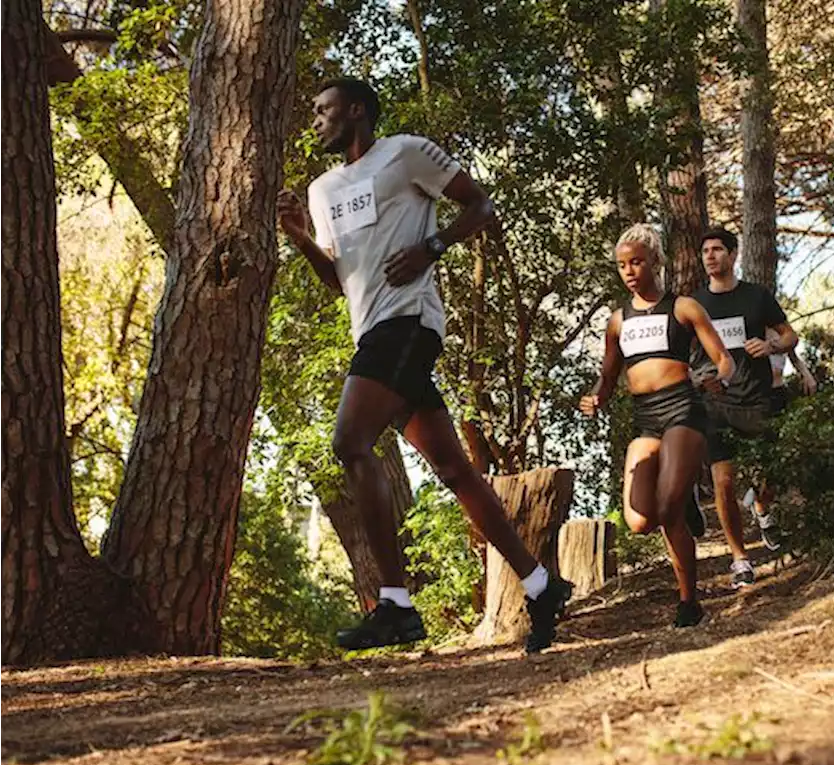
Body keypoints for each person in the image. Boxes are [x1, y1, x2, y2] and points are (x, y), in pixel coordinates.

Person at [276, 78, 572, 653]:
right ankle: (541, 584)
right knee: (455, 472)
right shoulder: (321, 191)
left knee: (350, 442)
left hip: (409, 323)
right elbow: (338, 281)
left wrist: (431, 247)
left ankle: (396, 603)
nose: (315, 119)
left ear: (356, 110)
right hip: (371, 328)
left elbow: (480, 205)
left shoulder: (405, 152)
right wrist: (298, 237)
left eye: (323, 109)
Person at [580, 225, 734, 627]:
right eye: (621, 265)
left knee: (666, 510)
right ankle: (684, 498)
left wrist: (719, 378)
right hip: (644, 415)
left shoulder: (683, 308)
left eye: (636, 262)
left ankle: (689, 602)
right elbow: (608, 378)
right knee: (639, 519)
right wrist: (596, 397)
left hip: (683, 407)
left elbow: (723, 359)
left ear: (655, 262)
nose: (629, 271)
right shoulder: (617, 321)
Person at [689, 227, 799, 586]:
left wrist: (771, 348)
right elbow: (682, 354)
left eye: (718, 249)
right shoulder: (695, 304)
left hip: (759, 398)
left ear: (733, 255)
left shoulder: (756, 296)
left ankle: (763, 506)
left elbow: (789, 335)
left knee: (773, 474)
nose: (710, 256)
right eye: (705, 250)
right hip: (717, 403)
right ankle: (740, 559)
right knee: (723, 482)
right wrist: (695, 379)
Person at [740, 327, 818, 545]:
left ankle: (763, 500)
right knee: (767, 462)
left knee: (785, 457)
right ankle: (763, 514)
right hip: (755, 399)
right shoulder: (749, 324)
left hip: (779, 395)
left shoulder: (780, 330)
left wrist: (807, 375)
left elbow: (793, 355)